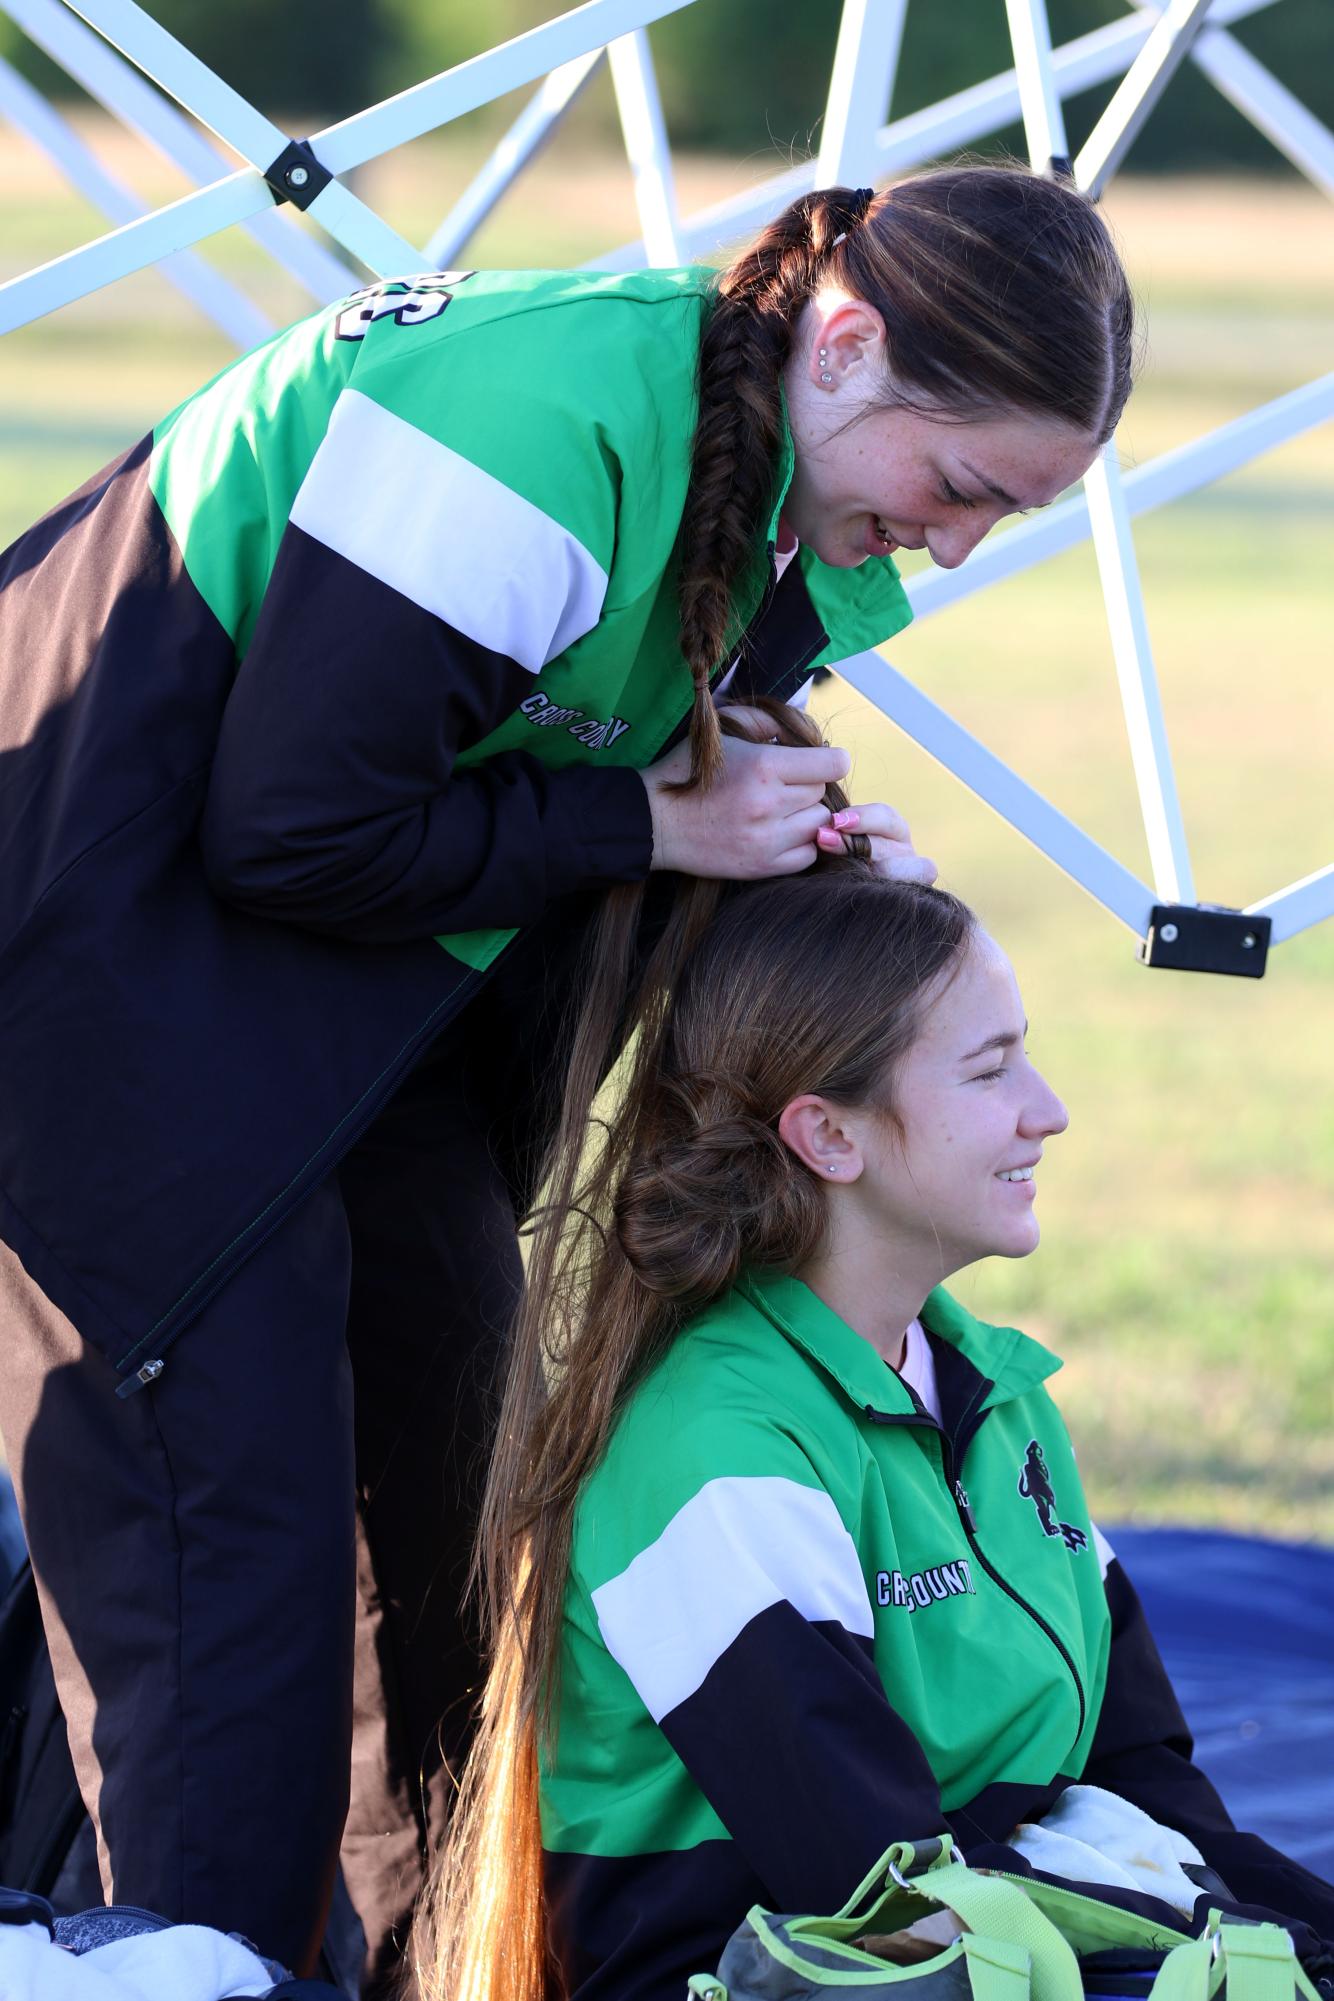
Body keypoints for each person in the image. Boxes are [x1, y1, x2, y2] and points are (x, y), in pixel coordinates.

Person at [0, 164, 1131, 1990]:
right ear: (840, 346)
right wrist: (652, 815)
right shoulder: (540, 419)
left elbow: (589, 772)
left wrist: (780, 829)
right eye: (959, 486)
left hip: (359, 994)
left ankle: (407, 1964)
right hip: (104, 934)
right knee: (241, 1554)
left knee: (455, 1504)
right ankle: (181, 1958)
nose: (955, 546)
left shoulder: (779, 492)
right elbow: (294, 817)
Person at [416, 813, 1334, 2001]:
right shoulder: (713, 1449)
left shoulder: (995, 1397)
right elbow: (877, 1892)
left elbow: (1143, 1773)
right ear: (827, 1135)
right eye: (988, 1068)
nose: (1045, 1110)